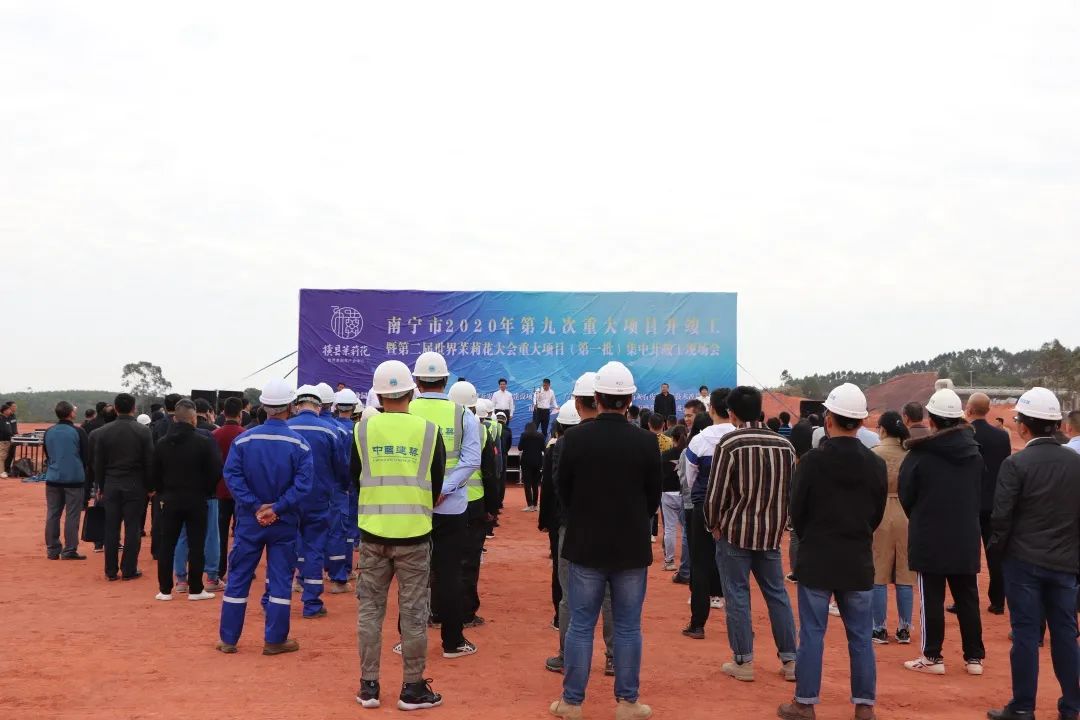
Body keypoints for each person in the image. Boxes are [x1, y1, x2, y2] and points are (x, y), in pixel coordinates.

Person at [550, 361, 661, 720]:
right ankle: (627, 703)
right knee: (628, 626)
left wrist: (584, 517)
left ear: (596, 397)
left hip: (585, 545)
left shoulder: (574, 439)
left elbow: (563, 490)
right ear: (629, 400)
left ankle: (572, 702)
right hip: (631, 547)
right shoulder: (646, 442)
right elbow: (653, 497)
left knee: (581, 624)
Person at [780, 383, 886, 720]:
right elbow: (876, 513)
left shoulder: (812, 462)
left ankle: (805, 702)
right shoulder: (876, 464)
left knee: (812, 633)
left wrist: (813, 536)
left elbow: (797, 511)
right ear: (861, 422)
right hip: (857, 559)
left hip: (817, 559)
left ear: (829, 419)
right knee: (861, 637)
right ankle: (864, 705)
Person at [352, 360, 446, 711]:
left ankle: (369, 687)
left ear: (378, 395)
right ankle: (412, 688)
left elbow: (355, 477)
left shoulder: (362, 430)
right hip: (415, 535)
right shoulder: (428, 431)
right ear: (411, 391)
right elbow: (436, 482)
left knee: (370, 612)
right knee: (414, 613)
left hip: (372, 533)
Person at [986, 387, 1080, 720]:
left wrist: (998, 554)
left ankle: (1024, 706)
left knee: (1026, 634)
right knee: (1065, 633)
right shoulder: (1076, 463)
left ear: (1024, 426)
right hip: (1065, 563)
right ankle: (1072, 706)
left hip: (1023, 562)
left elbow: (1001, 517)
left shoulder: (1016, 464)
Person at [705, 386, 798, 683]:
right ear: (760, 409)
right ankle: (791, 660)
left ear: (731, 413)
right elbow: (791, 493)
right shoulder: (785, 446)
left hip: (734, 532)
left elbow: (715, 493)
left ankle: (743, 661)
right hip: (770, 534)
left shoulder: (731, 443)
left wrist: (713, 524)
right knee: (777, 595)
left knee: (737, 594)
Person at [217, 378, 313, 656]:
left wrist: (255, 506)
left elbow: (232, 476)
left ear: (263, 406)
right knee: (280, 580)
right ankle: (274, 640)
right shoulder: (300, 444)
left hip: (250, 521)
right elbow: (303, 485)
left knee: (239, 577)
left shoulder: (243, 440)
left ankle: (228, 639)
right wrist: (277, 508)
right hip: (283, 522)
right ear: (290, 406)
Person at [899, 388, 986, 676]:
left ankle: (932, 656)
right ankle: (974, 658)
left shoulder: (920, 454)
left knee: (932, 598)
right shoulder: (974, 454)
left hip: (929, 535)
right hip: (965, 534)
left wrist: (921, 516)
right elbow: (979, 492)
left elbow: (906, 494)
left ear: (932, 420)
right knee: (967, 597)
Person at [408, 351, 481, 659]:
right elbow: (471, 460)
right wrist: (443, 489)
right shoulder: (463, 415)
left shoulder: (405, 410)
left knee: (412, 576)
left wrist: (425, 490)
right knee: (450, 574)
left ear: (416, 380)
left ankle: (408, 640)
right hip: (450, 508)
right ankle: (453, 641)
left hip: (413, 506)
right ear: (446, 380)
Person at [545, 373, 616, 678]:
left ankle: (568, 656)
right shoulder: (622, 437)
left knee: (570, 596)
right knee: (610, 596)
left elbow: (558, 487)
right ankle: (613, 658)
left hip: (572, 527)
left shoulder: (564, 443)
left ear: (577, 402)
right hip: (612, 528)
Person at [280, 385, 347, 619]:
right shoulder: (331, 431)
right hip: (319, 499)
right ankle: (311, 603)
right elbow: (341, 467)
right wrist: (341, 488)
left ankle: (276, 600)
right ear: (319, 407)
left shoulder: (286, 428)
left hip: (288, 500)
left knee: (284, 547)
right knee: (314, 548)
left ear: (296, 405)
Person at [148, 399, 222, 601]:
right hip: (197, 499)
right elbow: (216, 470)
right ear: (193, 418)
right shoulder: (204, 442)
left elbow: (154, 472)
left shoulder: (162, 443)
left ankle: (165, 590)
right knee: (197, 544)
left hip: (169, 499)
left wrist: (162, 491)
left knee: (167, 544)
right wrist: (206, 490)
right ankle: (196, 589)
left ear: (175, 418)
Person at [682, 389, 734, 639]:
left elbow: (690, 477)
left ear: (711, 409)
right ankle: (740, 624)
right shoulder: (740, 437)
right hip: (734, 509)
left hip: (703, 506)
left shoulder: (699, 440)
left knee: (700, 564)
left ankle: (697, 624)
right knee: (736, 567)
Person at [448, 383, 499, 628]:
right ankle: (467, 613)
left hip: (441, 502)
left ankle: (437, 611)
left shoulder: (435, 425)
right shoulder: (480, 430)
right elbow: (490, 472)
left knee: (441, 559)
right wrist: (492, 508)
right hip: (474, 504)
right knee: (469, 561)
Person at [91, 393, 153, 581]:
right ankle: (129, 569)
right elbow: (149, 461)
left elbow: (98, 463)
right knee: (133, 527)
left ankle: (110, 570)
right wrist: (150, 486)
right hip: (135, 484)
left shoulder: (103, 432)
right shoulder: (143, 431)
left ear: (115, 408)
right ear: (134, 408)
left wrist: (100, 485)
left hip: (111, 483)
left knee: (111, 527)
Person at [870, 411, 914, 645]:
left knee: (879, 572)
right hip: (906, 513)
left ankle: (878, 628)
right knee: (905, 574)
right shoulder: (910, 454)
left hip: (880, 512)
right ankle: (904, 628)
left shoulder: (874, 454)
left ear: (883, 429)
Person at [965, 392, 1012, 615]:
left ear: (969, 410)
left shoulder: (966, 434)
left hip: (971, 502)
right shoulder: (1002, 436)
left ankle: (966, 600)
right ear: (988, 410)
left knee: (968, 554)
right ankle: (998, 601)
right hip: (996, 502)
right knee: (995, 555)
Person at [539, 399, 579, 629]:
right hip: (585, 517)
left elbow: (548, 487)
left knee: (560, 567)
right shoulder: (588, 445)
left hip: (559, 518)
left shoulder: (554, 449)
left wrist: (544, 520)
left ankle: (560, 616)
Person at [43, 401, 89, 560]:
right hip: (74, 479)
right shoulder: (78, 431)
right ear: (71, 414)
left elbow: (48, 453)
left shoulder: (49, 431)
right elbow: (86, 456)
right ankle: (69, 550)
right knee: (72, 515)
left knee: (52, 513)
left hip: (53, 477)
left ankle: (52, 549)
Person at [327, 388, 361, 592]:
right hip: (350, 485)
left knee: (328, 528)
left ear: (337, 406)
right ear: (354, 407)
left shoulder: (330, 428)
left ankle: (326, 568)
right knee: (347, 529)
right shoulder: (357, 430)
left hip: (332, 485)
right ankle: (344, 570)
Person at [212, 397, 245, 584]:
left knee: (220, 533)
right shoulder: (245, 435)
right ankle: (239, 568)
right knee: (241, 533)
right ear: (240, 414)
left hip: (219, 491)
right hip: (241, 493)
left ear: (223, 413)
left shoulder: (214, 435)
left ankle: (219, 569)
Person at [659, 425, 688, 573]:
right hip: (684, 494)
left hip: (668, 493)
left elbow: (660, 475)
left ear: (673, 439)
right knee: (686, 531)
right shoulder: (689, 453)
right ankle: (687, 563)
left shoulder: (665, 455)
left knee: (669, 528)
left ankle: (669, 561)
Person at [518, 422, 545, 511]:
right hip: (537, 461)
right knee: (535, 484)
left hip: (526, 462)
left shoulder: (524, 435)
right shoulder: (540, 436)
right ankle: (536, 505)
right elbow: (543, 448)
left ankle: (530, 505)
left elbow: (520, 448)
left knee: (527, 484)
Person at [0, 400, 17, 478]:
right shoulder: (2, 418)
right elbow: (4, 430)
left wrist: (15, 434)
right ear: (5, 410)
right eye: (13, 406)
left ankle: (6, 470)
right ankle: (2, 471)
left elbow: (11, 428)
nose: (15, 408)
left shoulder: (10, 417)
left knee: (9, 455)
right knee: (2, 456)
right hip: (3, 440)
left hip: (11, 439)